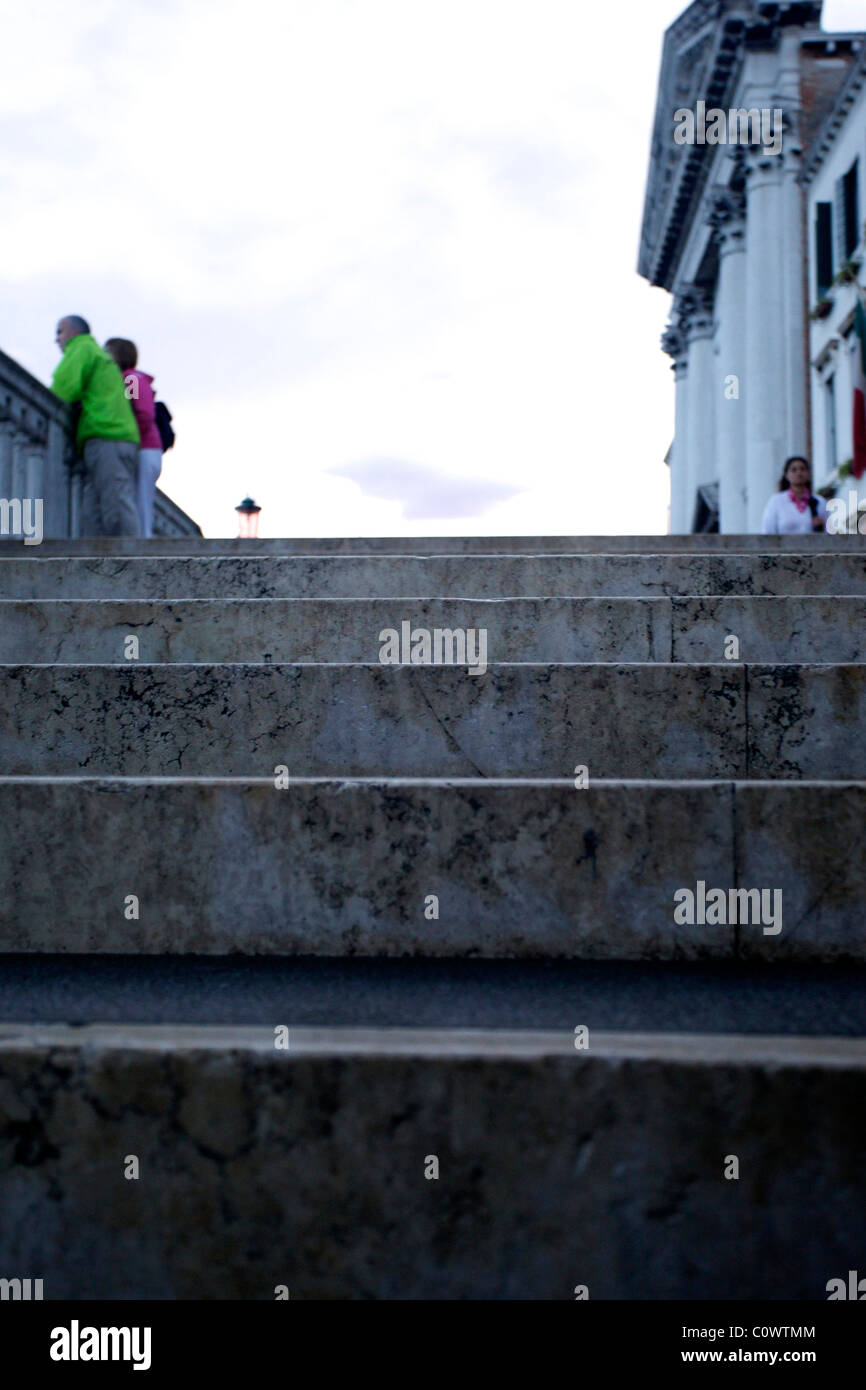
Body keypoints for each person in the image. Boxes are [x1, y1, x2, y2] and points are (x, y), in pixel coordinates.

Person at [51, 316, 141, 536]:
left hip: (106, 435)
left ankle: (134, 559)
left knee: (115, 507)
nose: (57, 339)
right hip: (118, 436)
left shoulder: (81, 349)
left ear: (74, 332)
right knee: (96, 509)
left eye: (60, 332)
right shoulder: (103, 358)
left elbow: (64, 388)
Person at [104, 338, 163, 538]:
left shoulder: (130, 379)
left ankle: (143, 541)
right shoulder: (133, 378)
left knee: (140, 499)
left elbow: (141, 411)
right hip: (148, 447)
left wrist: (130, 437)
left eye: (108, 352)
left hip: (144, 447)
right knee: (140, 498)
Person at [761, 456, 828, 534]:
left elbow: (829, 534)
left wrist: (820, 526)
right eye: (794, 470)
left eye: (802, 469)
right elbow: (768, 532)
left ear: (808, 474)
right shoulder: (776, 502)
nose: (799, 473)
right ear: (786, 475)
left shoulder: (820, 502)